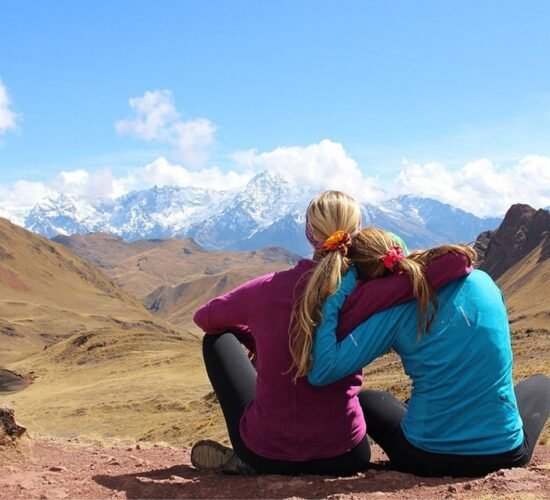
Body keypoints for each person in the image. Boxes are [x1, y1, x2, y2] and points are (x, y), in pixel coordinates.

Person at [191, 191, 471, 475]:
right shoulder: (368, 292)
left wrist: (256, 338)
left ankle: (244, 458)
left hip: (265, 453)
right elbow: (458, 261)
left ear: (308, 232)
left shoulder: (264, 289)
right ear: (356, 232)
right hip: (345, 455)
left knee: (216, 339)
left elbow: (204, 318)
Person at [308, 227, 550, 477]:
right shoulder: (484, 281)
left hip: (427, 456)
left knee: (367, 399)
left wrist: (335, 299)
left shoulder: (394, 312)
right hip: (506, 453)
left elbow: (322, 371)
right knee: (542, 383)